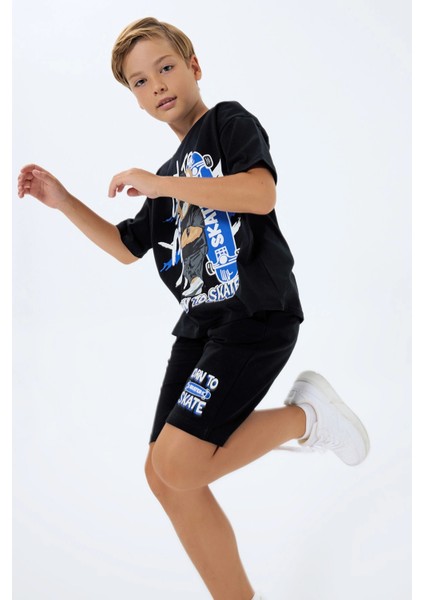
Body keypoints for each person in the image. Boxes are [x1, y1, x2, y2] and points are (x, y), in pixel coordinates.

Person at [17, 17, 370, 600]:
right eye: (139, 81)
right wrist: (63, 201)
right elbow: (126, 248)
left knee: (180, 465)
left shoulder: (226, 122)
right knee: (163, 477)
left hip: (255, 316)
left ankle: (308, 418)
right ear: (134, 98)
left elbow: (260, 193)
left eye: (165, 67)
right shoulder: (164, 178)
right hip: (201, 327)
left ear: (193, 66)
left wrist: (163, 187)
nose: (156, 84)